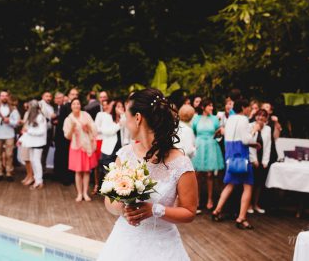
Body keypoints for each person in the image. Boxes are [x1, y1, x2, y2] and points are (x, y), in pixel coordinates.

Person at [98, 88, 198, 261]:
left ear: (137, 118)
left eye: (126, 116)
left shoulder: (181, 163)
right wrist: (124, 208)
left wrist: (155, 210)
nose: (124, 121)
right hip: (124, 243)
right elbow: (108, 200)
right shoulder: (125, 154)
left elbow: (189, 212)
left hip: (163, 247)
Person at [212, 98, 260, 230]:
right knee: (248, 186)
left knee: (230, 184)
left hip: (230, 155)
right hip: (241, 156)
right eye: (248, 107)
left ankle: (217, 210)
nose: (250, 109)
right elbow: (245, 140)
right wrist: (254, 131)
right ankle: (241, 218)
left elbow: (226, 134)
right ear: (244, 108)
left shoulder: (231, 119)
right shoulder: (244, 119)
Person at [191, 99, 224, 212]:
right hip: (200, 145)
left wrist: (218, 133)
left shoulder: (215, 119)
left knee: (210, 174)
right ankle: (198, 199)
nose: (211, 108)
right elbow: (194, 132)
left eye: (212, 106)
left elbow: (217, 133)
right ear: (203, 107)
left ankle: (210, 199)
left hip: (211, 145)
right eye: (209, 106)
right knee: (198, 174)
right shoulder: (196, 119)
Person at [63, 98, 98, 202]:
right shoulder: (68, 119)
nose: (76, 105)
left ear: (80, 105)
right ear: (71, 106)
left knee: (86, 171)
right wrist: (72, 129)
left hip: (87, 146)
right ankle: (79, 194)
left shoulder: (86, 115)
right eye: (74, 104)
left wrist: (88, 129)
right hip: (76, 147)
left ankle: (85, 193)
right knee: (78, 171)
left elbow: (94, 129)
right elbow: (67, 137)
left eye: (78, 103)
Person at [0, 90, 20, 182]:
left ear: (8, 97)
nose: (4, 97)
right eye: (2, 96)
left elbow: (17, 123)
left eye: (6, 96)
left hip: (9, 134)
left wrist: (9, 121)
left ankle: (9, 172)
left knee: (9, 154)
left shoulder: (13, 109)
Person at [18, 100, 47, 190]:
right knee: (33, 161)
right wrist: (21, 139)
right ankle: (36, 180)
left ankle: (39, 181)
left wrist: (29, 131)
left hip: (38, 143)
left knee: (36, 162)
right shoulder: (32, 117)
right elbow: (27, 131)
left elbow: (41, 131)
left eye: (30, 107)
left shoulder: (40, 117)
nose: (28, 108)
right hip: (31, 143)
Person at [248, 109, 271, 214]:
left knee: (259, 183)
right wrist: (254, 160)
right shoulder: (250, 126)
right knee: (250, 183)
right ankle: (248, 205)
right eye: (258, 116)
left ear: (266, 118)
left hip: (262, 158)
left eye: (263, 116)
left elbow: (268, 146)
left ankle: (255, 204)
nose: (260, 118)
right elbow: (249, 143)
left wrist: (265, 161)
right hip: (252, 158)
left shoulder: (268, 129)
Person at [54, 88, 78, 185]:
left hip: (76, 138)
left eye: (76, 94)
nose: (74, 96)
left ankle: (72, 177)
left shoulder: (79, 107)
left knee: (73, 157)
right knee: (64, 157)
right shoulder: (64, 107)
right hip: (64, 137)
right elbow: (61, 125)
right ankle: (64, 177)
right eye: (72, 94)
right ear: (68, 95)